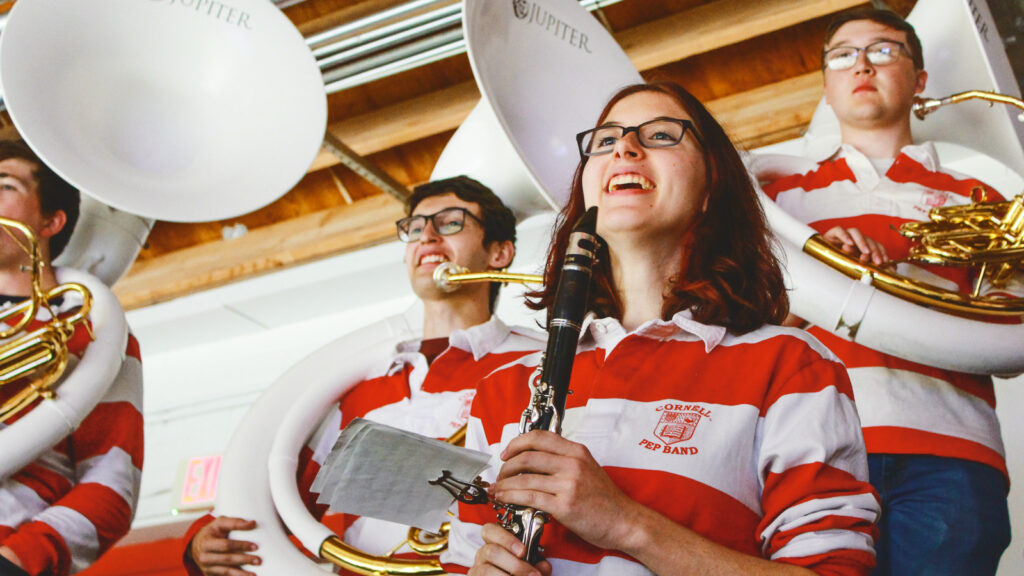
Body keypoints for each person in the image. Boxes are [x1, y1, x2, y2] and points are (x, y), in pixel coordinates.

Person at [444, 82, 880, 576]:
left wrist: (625, 524)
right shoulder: (504, 388)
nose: (625, 148)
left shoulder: (791, 365)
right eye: (605, 141)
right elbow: (463, 560)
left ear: (712, 185)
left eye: (660, 135)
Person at [758, 9, 1016, 575]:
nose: (863, 65)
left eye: (884, 50)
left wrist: (910, 272)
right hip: (811, 442)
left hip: (952, 448)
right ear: (826, 84)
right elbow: (748, 325)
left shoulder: (982, 197)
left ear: (920, 80)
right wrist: (824, 276)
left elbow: (1012, 337)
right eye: (843, 55)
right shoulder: (777, 195)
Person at [183, 176, 544, 575]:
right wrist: (203, 543)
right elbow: (267, 497)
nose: (426, 236)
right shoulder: (357, 388)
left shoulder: (543, 361)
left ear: (499, 252)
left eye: (450, 222)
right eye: (414, 226)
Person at [0, 140, 144, 576]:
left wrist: (20, 557)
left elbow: (111, 483)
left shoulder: (92, 328)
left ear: (50, 221)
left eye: (4, 185)